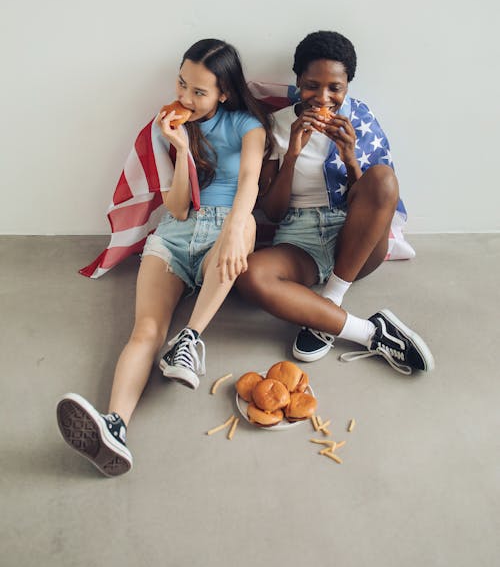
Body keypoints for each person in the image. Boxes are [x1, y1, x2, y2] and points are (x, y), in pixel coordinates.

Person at [57, 38, 272, 477]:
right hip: (175, 235)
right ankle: (115, 426)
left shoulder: (247, 125)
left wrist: (235, 229)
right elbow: (175, 208)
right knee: (145, 331)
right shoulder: (172, 125)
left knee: (245, 225)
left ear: (224, 93)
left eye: (199, 91)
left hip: (226, 229)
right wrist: (181, 147)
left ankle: (190, 339)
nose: (184, 97)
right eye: (181, 83)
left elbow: (250, 180)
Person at [237, 30, 434, 375]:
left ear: (347, 87)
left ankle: (330, 301)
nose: (322, 98)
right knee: (249, 276)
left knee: (383, 177)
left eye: (335, 88)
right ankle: (369, 332)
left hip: (354, 243)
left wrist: (350, 157)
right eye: (312, 85)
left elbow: (374, 200)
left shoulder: (359, 120)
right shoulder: (276, 126)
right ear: (297, 81)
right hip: (299, 243)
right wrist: (293, 154)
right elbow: (272, 211)